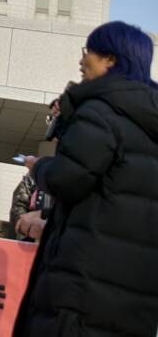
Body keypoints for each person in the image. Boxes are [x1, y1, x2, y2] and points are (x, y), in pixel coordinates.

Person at [13, 21, 158, 336]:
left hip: (81, 287)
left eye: (88, 51)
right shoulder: (148, 120)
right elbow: (115, 199)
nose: (81, 60)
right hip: (136, 295)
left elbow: (67, 179)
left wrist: (39, 167)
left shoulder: (101, 111)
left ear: (110, 60)